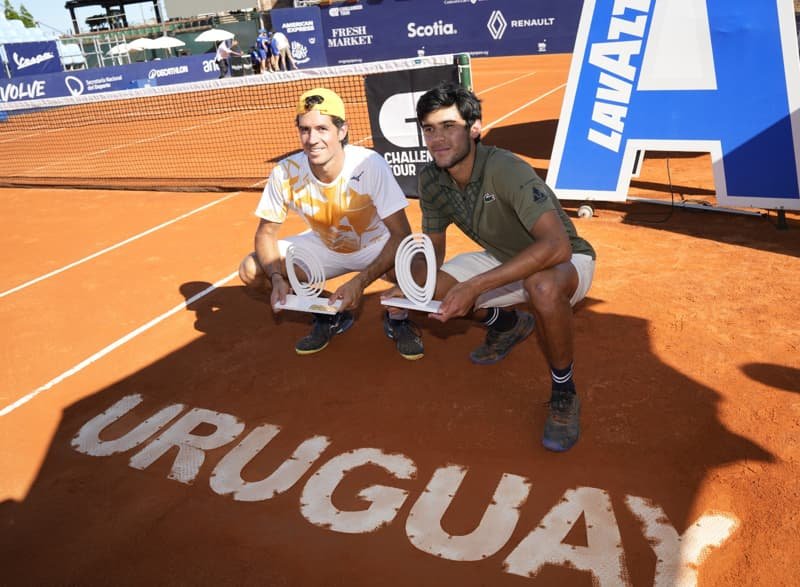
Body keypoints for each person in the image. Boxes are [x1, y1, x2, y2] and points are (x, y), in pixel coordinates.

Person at [403, 81, 596, 452]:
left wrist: (474, 287)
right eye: (429, 129)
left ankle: (564, 391)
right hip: (503, 257)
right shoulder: (430, 179)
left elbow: (555, 246)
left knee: (540, 286)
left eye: (448, 127)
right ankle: (507, 325)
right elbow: (434, 248)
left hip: (565, 259)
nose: (437, 139)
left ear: (474, 130)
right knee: (429, 290)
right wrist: (411, 292)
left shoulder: (505, 168)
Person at [238, 88, 423, 359]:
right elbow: (266, 234)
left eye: (322, 129)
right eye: (305, 130)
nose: (312, 139)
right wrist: (276, 277)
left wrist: (359, 283)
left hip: (375, 244)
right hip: (324, 246)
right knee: (252, 269)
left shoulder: (369, 164)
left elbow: (401, 234)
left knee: (419, 268)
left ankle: (398, 318)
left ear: (342, 130)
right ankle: (328, 310)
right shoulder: (285, 172)